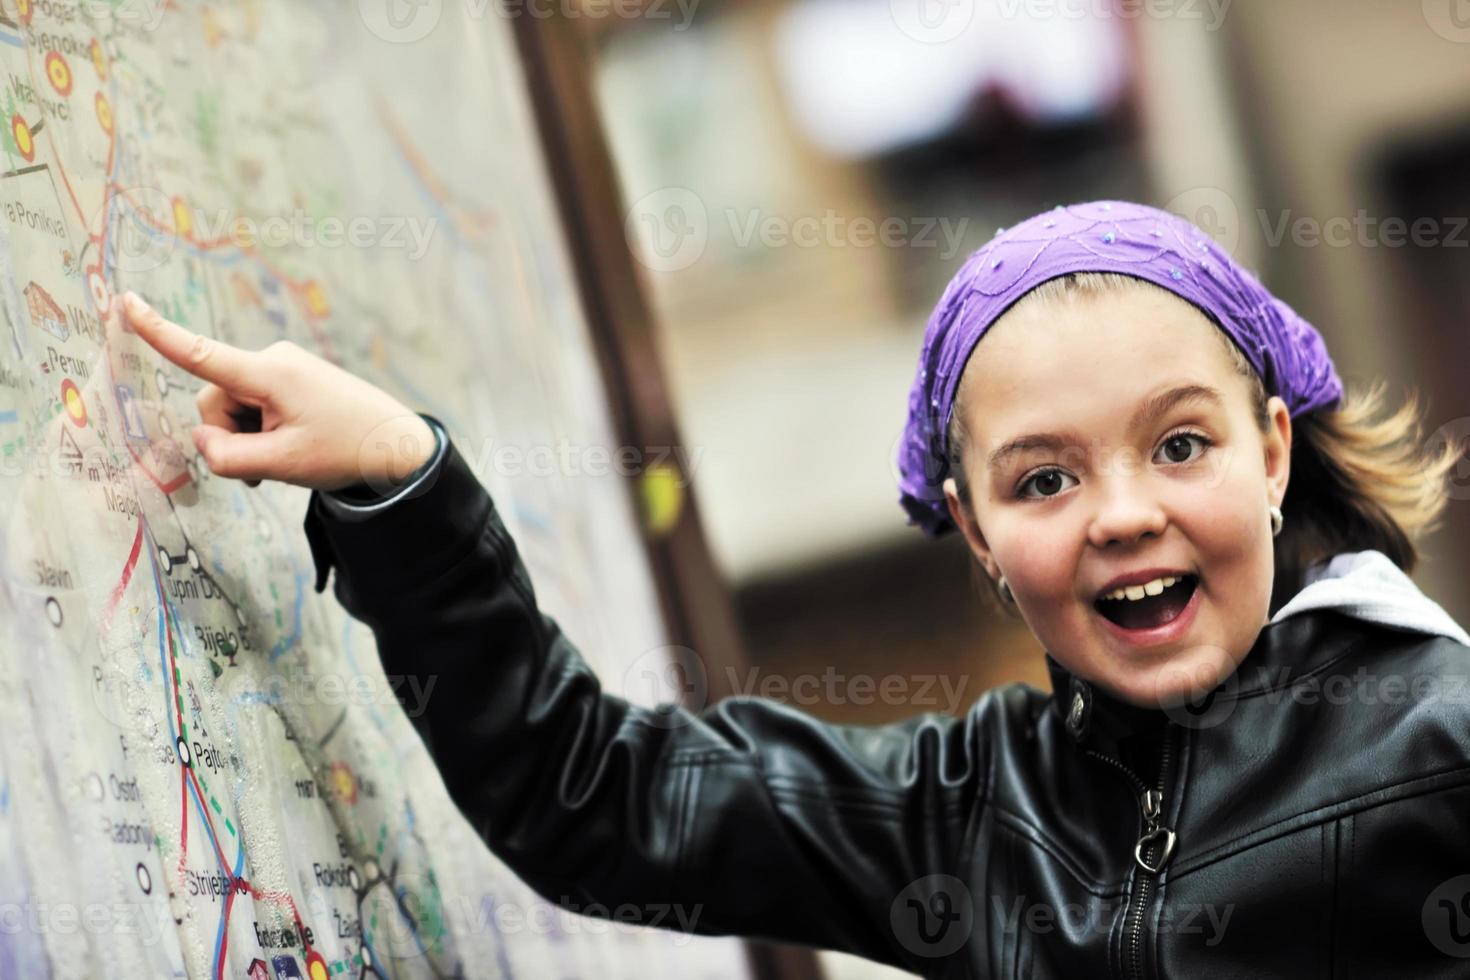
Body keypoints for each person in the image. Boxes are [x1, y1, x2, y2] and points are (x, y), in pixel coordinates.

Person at [118, 200, 1470, 978]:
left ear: (1270, 449)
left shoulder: (1441, 730)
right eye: (1041, 480)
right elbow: (597, 798)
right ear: (975, 532)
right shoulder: (965, 813)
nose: (1123, 514)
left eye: (1179, 445)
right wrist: (403, 480)